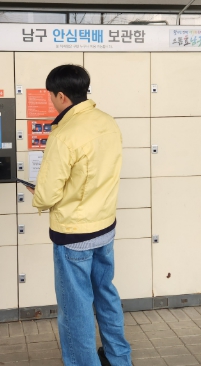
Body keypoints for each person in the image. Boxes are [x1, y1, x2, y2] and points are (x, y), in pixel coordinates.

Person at [29, 64, 132, 366]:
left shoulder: (64, 135)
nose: (51, 100)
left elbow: (47, 195)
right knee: (105, 294)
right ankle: (119, 358)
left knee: (75, 308)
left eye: (51, 95)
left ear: (61, 96)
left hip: (74, 235)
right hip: (105, 227)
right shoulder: (107, 122)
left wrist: (38, 194)